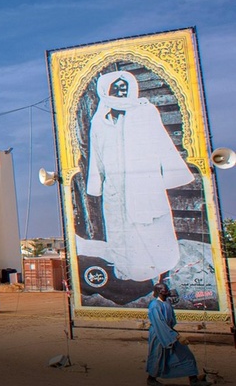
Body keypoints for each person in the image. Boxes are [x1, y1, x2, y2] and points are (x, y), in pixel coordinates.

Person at [78, 71, 194, 283]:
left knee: (152, 229)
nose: (121, 92)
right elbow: (96, 156)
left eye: (124, 87)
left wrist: (172, 174)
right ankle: (128, 271)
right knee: (121, 232)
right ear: (106, 90)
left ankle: (164, 266)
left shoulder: (145, 111)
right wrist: (96, 185)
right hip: (115, 189)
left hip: (144, 185)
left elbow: (163, 143)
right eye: (116, 88)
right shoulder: (100, 119)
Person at [146, 282, 210, 385]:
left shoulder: (166, 303)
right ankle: (151, 379)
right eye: (164, 290)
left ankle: (193, 380)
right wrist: (176, 336)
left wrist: (174, 334)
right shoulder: (154, 306)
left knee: (186, 355)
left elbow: (171, 321)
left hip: (170, 332)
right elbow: (160, 324)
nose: (167, 292)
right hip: (159, 335)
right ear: (159, 292)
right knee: (158, 357)